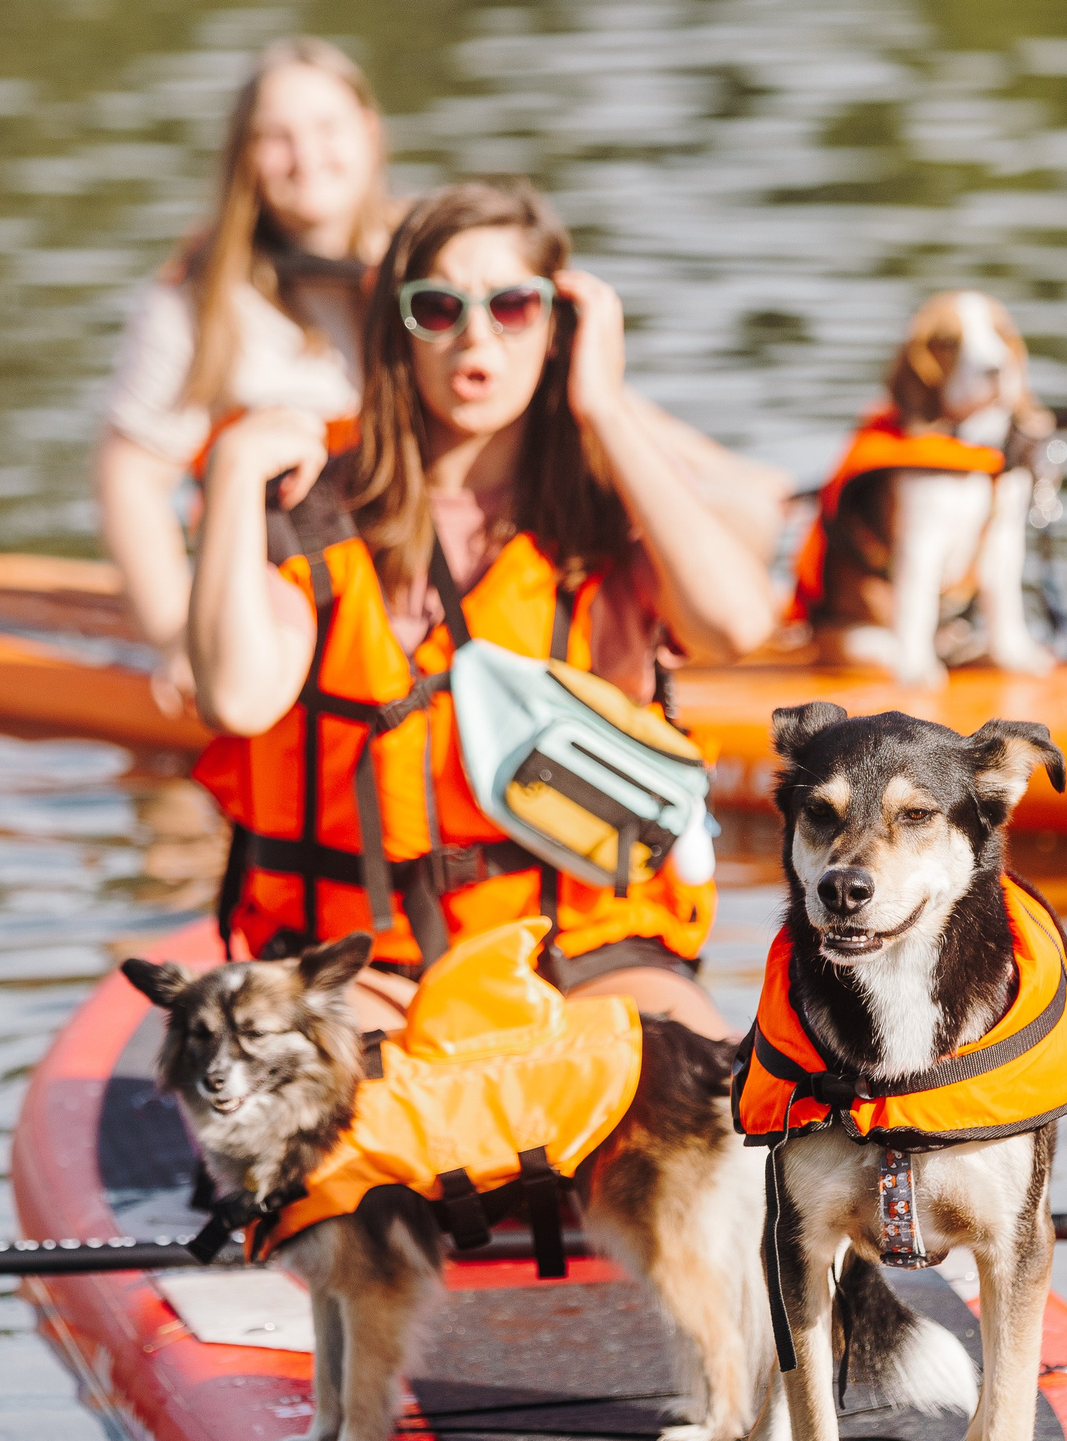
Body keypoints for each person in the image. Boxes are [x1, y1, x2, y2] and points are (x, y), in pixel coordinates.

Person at [186, 181, 774, 1040]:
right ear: (397, 328)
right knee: (321, 1101)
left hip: (586, 951)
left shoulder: (612, 505)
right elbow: (235, 698)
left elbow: (737, 624)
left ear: (557, 326)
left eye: (511, 305)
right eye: (438, 306)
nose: (475, 336)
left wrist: (604, 403)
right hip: (366, 961)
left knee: (699, 1096)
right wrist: (233, 473)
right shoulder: (316, 512)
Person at [96, 40, 788, 696]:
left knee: (741, 510)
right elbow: (131, 477)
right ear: (242, 156)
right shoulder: (194, 302)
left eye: (326, 126)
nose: (306, 155)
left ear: (369, 133)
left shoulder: (435, 252)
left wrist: (723, 471)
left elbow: (576, 385)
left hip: (463, 549)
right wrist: (176, 633)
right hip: (304, 566)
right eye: (276, 136)